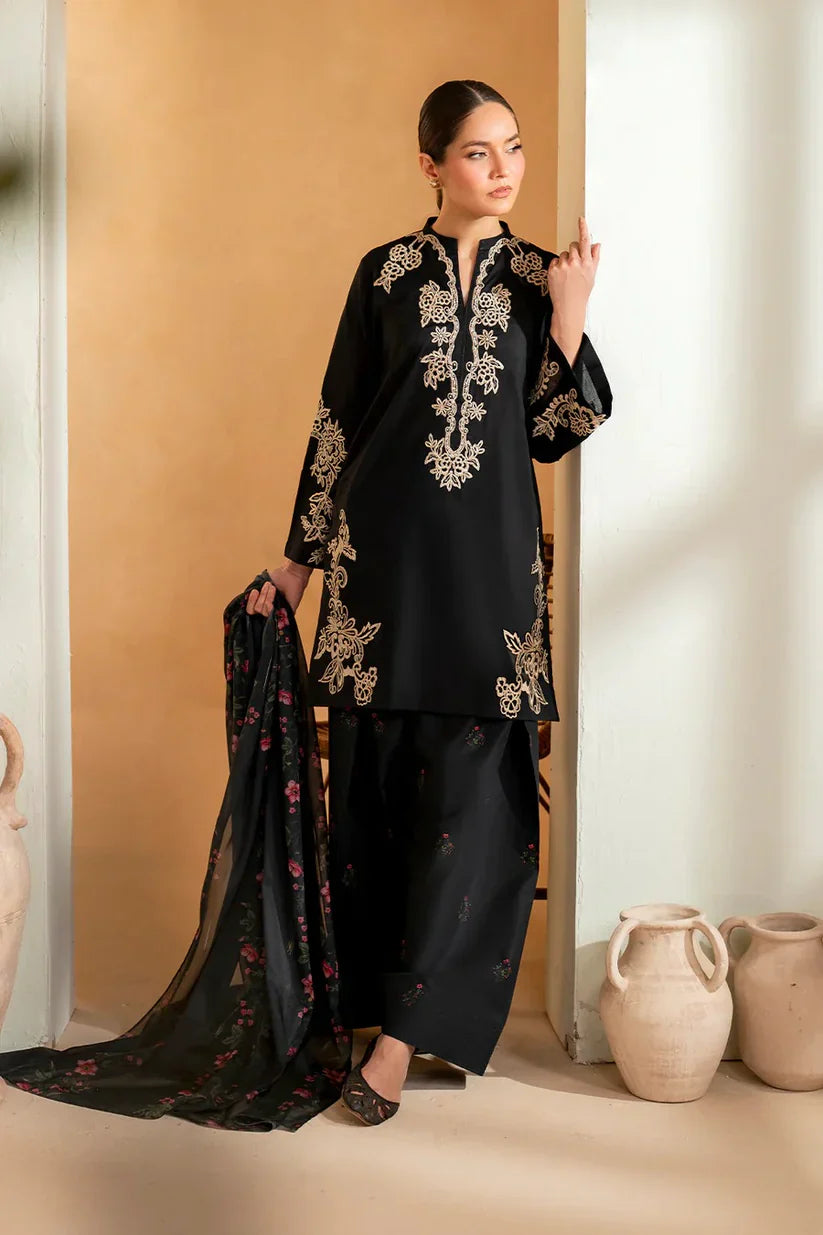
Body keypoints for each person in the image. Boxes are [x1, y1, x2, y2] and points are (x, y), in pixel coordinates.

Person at [246, 79, 613, 1124]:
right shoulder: (384, 275)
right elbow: (337, 425)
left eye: (513, 149)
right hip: (380, 576)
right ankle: (364, 1009)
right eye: (476, 153)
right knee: (372, 797)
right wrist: (296, 564)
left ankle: (403, 1044)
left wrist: (572, 319)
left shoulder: (544, 277)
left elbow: (555, 426)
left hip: (490, 587)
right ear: (430, 165)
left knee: (474, 812)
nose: (501, 169)